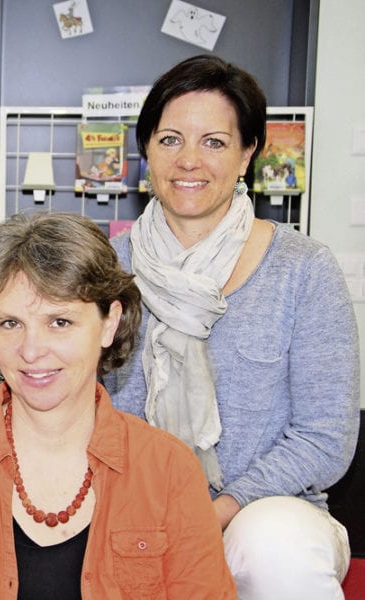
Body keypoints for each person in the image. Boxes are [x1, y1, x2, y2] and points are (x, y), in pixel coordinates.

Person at [104, 54, 360, 598]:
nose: (189, 160)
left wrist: (219, 508)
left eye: (214, 142)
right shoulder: (103, 268)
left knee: (272, 546)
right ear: (145, 149)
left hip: (267, 513)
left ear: (248, 154)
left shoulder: (303, 268)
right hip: (130, 510)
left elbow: (325, 437)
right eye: (170, 139)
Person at [0, 212, 235, 599]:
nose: (31, 352)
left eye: (60, 322)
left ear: (108, 324)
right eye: (10, 324)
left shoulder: (168, 470)